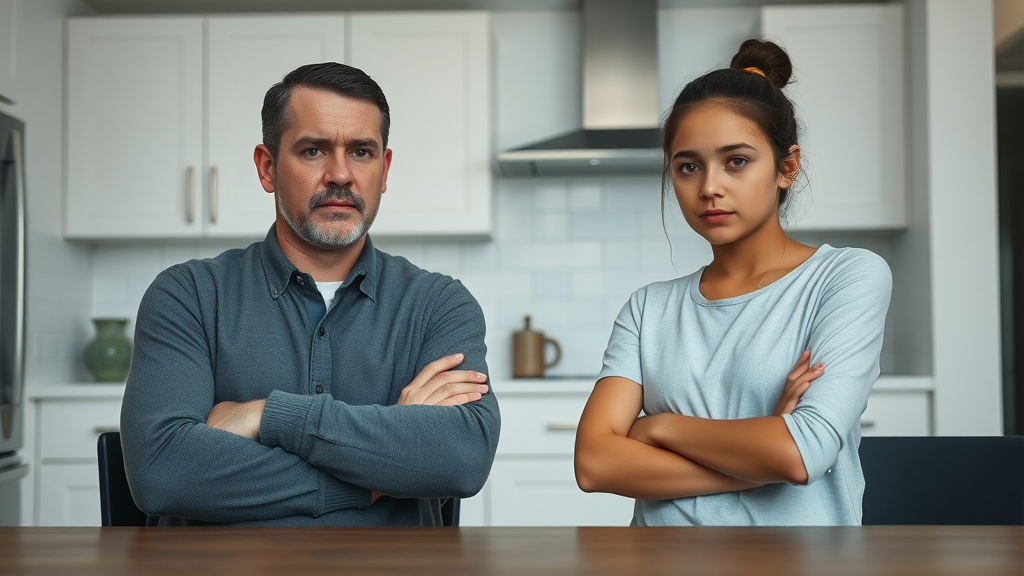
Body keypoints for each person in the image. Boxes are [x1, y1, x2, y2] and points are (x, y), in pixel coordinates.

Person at [120, 62, 500, 526]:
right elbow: (163, 472)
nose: (340, 174)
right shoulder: (188, 296)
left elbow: (460, 458)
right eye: (314, 150)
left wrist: (268, 415)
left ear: (384, 170)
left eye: (361, 151)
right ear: (267, 168)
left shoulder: (439, 305)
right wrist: (380, 471)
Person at [573, 39, 891, 526]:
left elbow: (801, 454)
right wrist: (753, 464)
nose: (709, 187)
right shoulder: (648, 308)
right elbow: (595, 464)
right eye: (688, 166)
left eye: (736, 161)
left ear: (787, 168)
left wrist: (658, 427)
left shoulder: (846, 277)